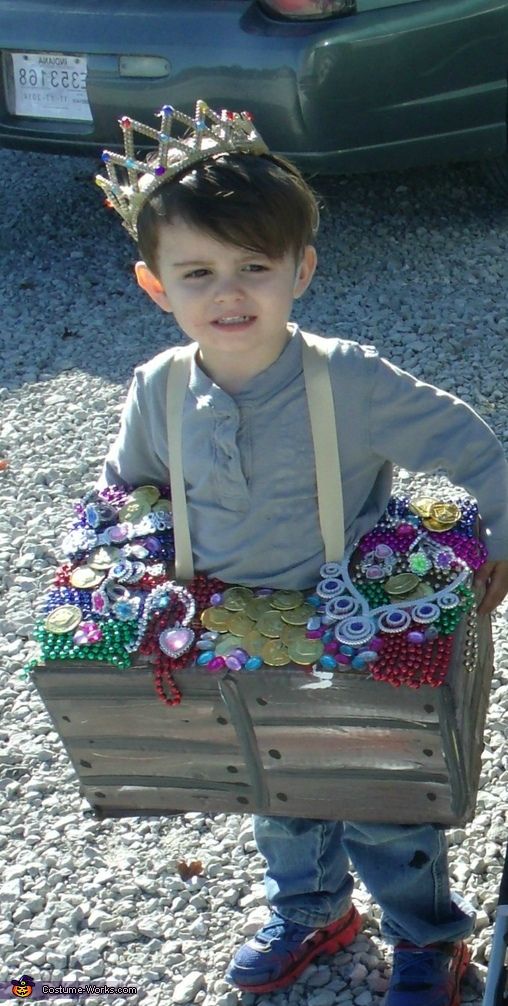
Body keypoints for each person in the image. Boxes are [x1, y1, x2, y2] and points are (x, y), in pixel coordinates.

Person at [96, 99, 508, 1006]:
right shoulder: (156, 388)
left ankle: (428, 936)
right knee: (274, 791)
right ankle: (314, 909)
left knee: (382, 796)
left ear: (301, 269)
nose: (229, 292)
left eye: (255, 266)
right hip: (237, 638)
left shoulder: (348, 379)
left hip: (354, 631)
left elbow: (481, 451)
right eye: (197, 272)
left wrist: (497, 550)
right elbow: (129, 501)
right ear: (155, 285)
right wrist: (130, 592)